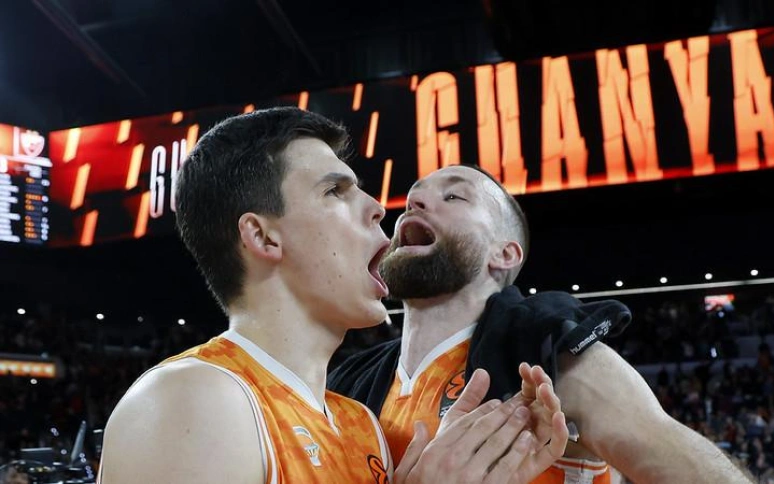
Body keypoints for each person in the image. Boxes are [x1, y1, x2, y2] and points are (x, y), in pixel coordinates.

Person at [97, 108, 567, 484]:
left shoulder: (362, 425)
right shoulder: (193, 398)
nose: (379, 207)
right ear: (264, 238)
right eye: (336, 190)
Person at [329, 164, 755, 483]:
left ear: (505, 254)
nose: (414, 203)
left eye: (454, 197)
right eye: (414, 197)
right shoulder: (349, 380)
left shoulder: (548, 355)